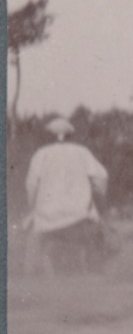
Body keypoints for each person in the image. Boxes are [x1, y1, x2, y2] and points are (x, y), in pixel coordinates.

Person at [24, 117, 109, 274]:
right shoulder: (82, 152)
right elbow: (102, 177)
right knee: (99, 234)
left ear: (48, 136)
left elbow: (31, 185)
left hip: (46, 219)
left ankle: (30, 276)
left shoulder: (40, 154)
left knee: (32, 243)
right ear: (70, 135)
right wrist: (98, 198)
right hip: (80, 216)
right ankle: (96, 273)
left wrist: (32, 209)